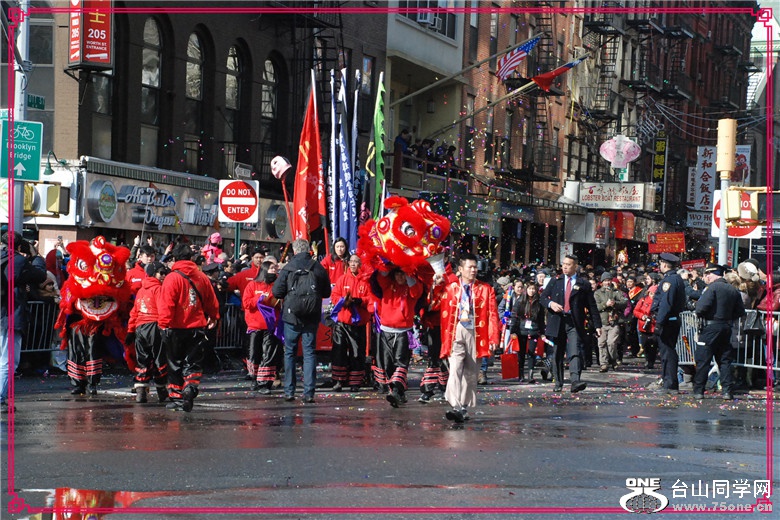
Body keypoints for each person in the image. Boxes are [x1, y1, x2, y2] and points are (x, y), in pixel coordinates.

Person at [158, 243, 220, 412]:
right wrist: (214, 316)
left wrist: (163, 324)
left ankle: (178, 397)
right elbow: (211, 300)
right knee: (193, 362)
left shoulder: (172, 278)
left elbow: (167, 304)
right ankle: (190, 388)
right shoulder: (201, 277)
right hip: (197, 326)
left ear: (175, 258)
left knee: (175, 363)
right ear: (191, 257)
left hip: (175, 327)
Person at [439, 253, 499, 422]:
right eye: (470, 267)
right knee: (455, 367)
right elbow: (435, 301)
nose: (473, 270)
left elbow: (493, 314)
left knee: (471, 371)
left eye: (475, 267)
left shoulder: (486, 289)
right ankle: (455, 405)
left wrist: (493, 338)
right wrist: (436, 285)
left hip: (476, 331)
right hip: (456, 329)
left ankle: (464, 406)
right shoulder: (450, 288)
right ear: (460, 269)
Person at [272, 238, 331, 403]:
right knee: (309, 353)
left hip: (292, 316)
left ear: (295, 251)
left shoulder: (289, 267)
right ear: (308, 250)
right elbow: (327, 292)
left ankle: (289, 391)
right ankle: (309, 392)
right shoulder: (317, 267)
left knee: (290, 352)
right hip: (311, 316)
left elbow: (277, 292)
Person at [541, 254, 602, 394]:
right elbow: (543, 298)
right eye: (563, 264)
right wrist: (551, 304)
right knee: (558, 352)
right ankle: (558, 382)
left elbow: (591, 306)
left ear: (575, 266)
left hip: (574, 322)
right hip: (558, 320)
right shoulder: (555, 281)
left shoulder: (583, 284)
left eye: (568, 264)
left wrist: (597, 325)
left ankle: (575, 381)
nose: (565, 267)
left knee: (574, 350)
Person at [1, 233, 47, 412]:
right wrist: (35, 256)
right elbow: (40, 275)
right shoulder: (18, 261)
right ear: (20, 246)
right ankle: (0, 399)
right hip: (10, 315)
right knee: (8, 360)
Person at [369, 267, 423, 407]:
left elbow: (417, 292)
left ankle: (397, 391)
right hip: (386, 330)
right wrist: (390, 261)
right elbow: (381, 274)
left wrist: (407, 268)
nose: (400, 277)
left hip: (403, 331)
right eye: (398, 274)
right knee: (388, 364)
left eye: (402, 274)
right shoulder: (387, 284)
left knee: (401, 362)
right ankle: (398, 393)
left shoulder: (412, 287)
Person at [693, 263, 746, 400]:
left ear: (712, 274)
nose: (706, 277)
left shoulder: (712, 288)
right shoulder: (733, 289)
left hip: (710, 327)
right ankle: (727, 391)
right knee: (724, 360)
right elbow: (740, 311)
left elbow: (701, 308)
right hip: (726, 327)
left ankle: (699, 390)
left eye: (707, 274)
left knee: (703, 359)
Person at [127, 261, 171, 404]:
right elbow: (163, 309)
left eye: (165, 273)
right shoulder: (158, 289)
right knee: (160, 359)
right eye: (161, 273)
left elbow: (134, 312)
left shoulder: (141, 290)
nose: (164, 276)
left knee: (143, 359)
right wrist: (165, 326)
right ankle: (162, 391)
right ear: (153, 274)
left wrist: (131, 330)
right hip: (154, 325)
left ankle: (141, 392)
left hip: (140, 327)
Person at [329, 254, 372, 392]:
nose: (353, 264)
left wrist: (360, 301)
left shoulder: (366, 281)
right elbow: (334, 296)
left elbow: (370, 298)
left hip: (358, 324)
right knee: (339, 352)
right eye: (351, 261)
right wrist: (343, 301)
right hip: (342, 322)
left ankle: (355, 382)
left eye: (356, 262)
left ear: (360, 264)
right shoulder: (342, 279)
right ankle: (338, 380)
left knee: (357, 353)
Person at [242, 260, 282, 394]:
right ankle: (254, 378)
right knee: (254, 354)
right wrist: (258, 299)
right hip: (255, 325)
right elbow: (246, 303)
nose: (274, 271)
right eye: (271, 268)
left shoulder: (277, 286)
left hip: (271, 325)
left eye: (275, 268)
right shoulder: (252, 285)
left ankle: (265, 383)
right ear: (264, 270)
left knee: (269, 354)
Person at [650, 253, 687, 394]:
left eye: (660, 264)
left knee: (667, 353)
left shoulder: (669, 281)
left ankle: (670, 384)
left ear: (664, 264)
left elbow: (666, 303)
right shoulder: (675, 278)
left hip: (668, 321)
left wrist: (659, 322)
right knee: (667, 352)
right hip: (671, 320)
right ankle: (669, 382)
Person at [508, 282, 545, 383]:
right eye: (529, 289)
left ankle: (530, 374)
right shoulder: (520, 301)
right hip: (521, 330)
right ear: (526, 290)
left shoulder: (539, 303)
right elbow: (514, 317)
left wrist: (542, 332)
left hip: (534, 330)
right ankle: (521, 374)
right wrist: (513, 331)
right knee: (521, 353)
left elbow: (541, 319)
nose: (531, 291)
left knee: (531, 353)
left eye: (533, 289)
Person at [594, 272, 628, 372]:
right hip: (602, 322)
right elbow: (596, 307)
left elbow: (625, 302)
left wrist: (615, 303)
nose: (607, 283)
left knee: (611, 343)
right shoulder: (598, 293)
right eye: (605, 281)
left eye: (609, 280)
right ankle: (603, 364)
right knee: (601, 343)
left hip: (614, 322)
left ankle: (613, 360)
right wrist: (606, 304)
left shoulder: (617, 292)